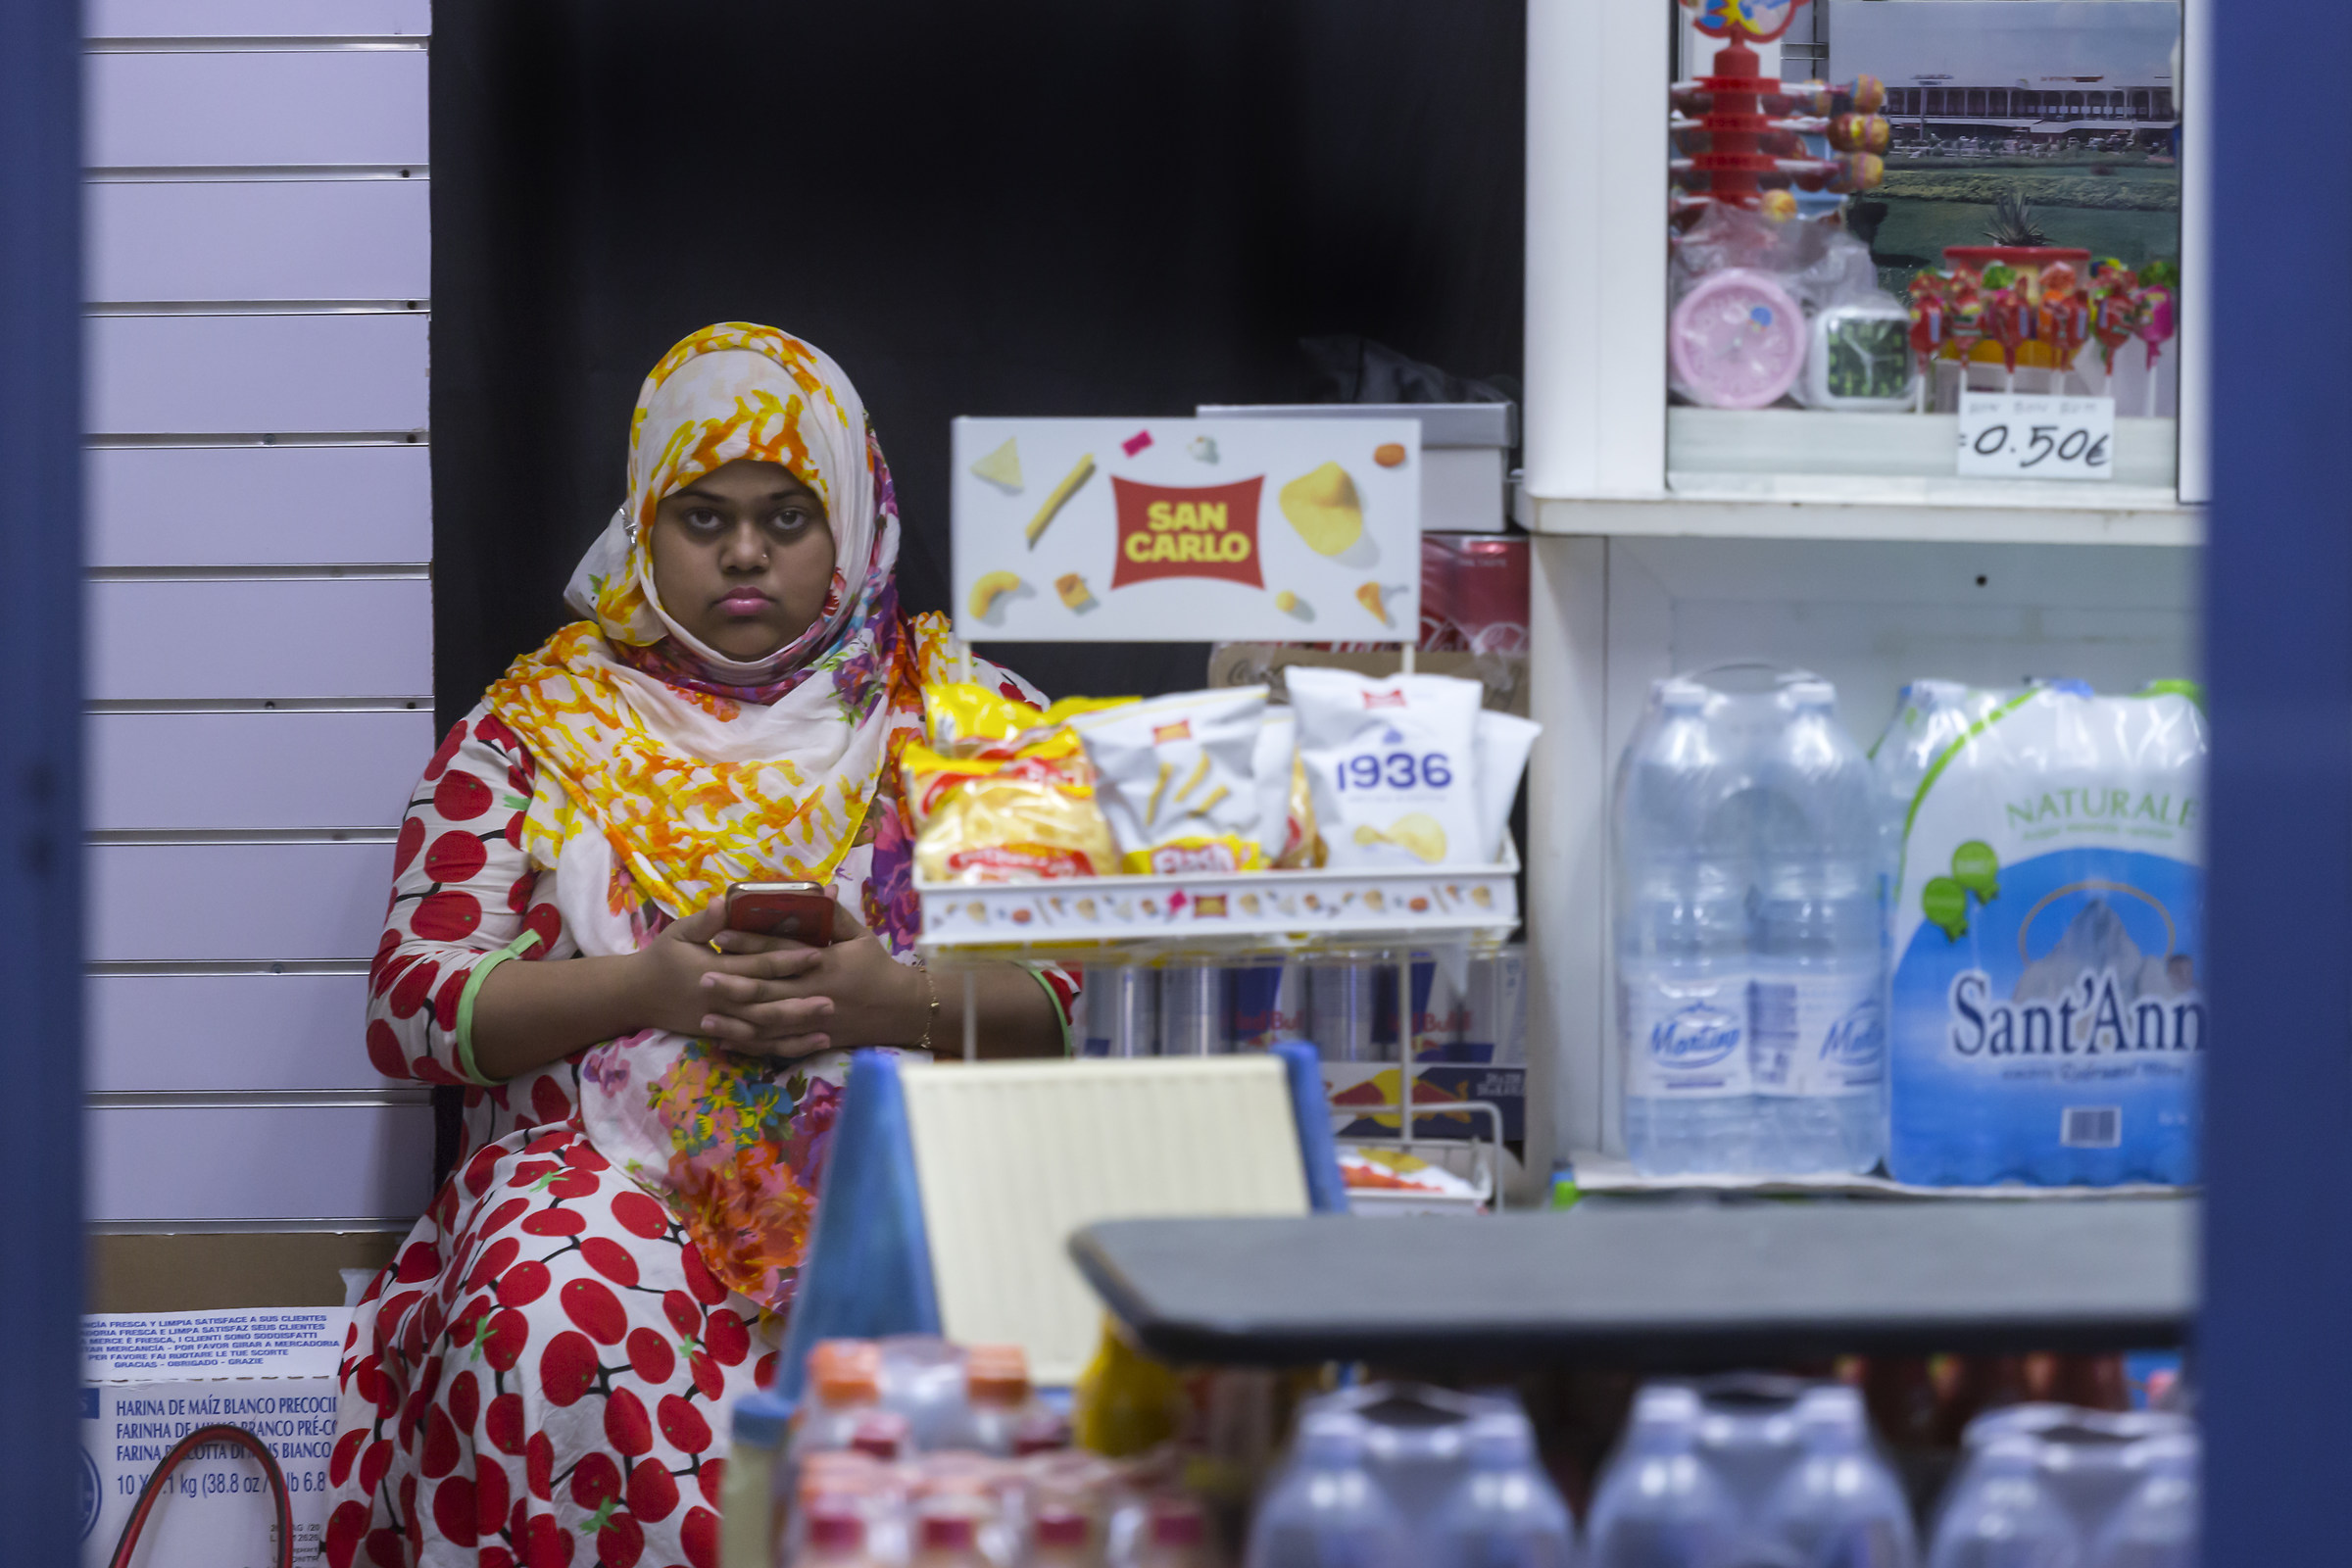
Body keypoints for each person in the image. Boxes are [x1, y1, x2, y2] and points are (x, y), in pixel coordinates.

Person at [325, 323, 1072, 1568]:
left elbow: (1077, 1001)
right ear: (644, 525)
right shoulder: (532, 732)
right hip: (599, 1184)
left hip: (908, 1169)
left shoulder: (972, 722)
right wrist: (646, 986)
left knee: (1021, 1300)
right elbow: (412, 1012)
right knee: (541, 1299)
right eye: (702, 515)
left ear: (852, 521)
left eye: (788, 516)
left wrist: (885, 1003)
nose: (743, 552)